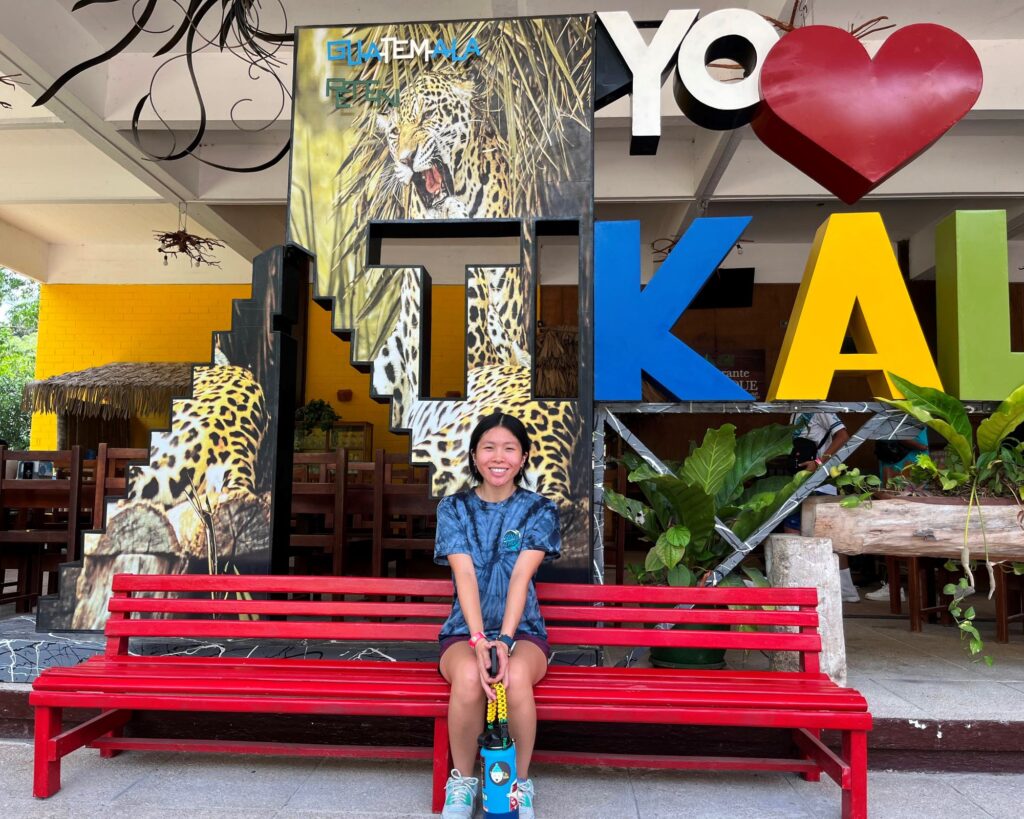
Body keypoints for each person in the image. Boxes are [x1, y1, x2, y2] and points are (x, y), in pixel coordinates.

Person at [434, 411, 561, 819]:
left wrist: (504, 641)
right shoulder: (453, 509)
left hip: (523, 632)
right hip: (463, 631)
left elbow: (521, 577)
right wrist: (477, 640)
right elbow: (465, 575)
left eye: (509, 448)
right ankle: (462, 780)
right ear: (474, 455)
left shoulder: (540, 510)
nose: (498, 456)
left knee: (515, 673)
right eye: (489, 447)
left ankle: (516, 782)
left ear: (523, 457)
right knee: (471, 674)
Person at [783, 412, 859, 602]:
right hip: (800, 482)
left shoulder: (821, 409)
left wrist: (819, 463)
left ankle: (846, 588)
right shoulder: (795, 411)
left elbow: (843, 436)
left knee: (829, 537)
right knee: (792, 528)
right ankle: (798, 584)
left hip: (821, 483)